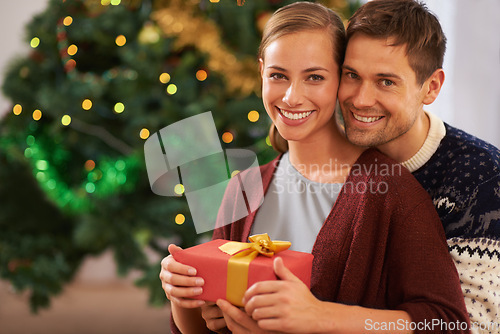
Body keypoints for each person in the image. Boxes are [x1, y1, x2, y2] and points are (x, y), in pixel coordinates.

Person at [160, 2, 470, 333]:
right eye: (278, 75)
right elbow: (205, 328)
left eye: (315, 77)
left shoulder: (391, 192)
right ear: (262, 71)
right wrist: (184, 293)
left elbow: (446, 323)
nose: (292, 97)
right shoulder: (244, 189)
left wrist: (320, 317)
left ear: (341, 80)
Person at [336, 0, 500, 329]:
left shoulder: (482, 178)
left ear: (431, 87)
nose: (360, 99)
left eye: (386, 82)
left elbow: (469, 326)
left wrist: (322, 318)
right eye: (351, 75)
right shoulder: (329, 156)